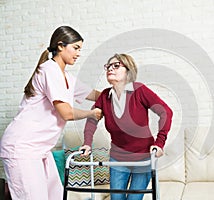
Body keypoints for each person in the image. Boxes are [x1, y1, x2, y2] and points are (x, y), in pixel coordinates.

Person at [0, 26, 102, 200]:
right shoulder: (49, 70)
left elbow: (93, 94)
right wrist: (91, 114)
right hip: (23, 148)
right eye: (76, 48)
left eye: (80, 49)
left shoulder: (66, 77)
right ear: (61, 46)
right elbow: (66, 113)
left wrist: (119, 93)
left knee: (55, 196)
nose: (78, 53)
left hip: (41, 150)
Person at [79, 53, 173, 200]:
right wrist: (87, 143)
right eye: (108, 66)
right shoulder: (105, 96)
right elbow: (92, 119)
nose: (110, 69)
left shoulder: (139, 90)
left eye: (116, 65)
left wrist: (159, 143)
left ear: (128, 71)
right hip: (118, 158)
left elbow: (166, 112)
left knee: (134, 199)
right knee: (116, 199)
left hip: (143, 157)